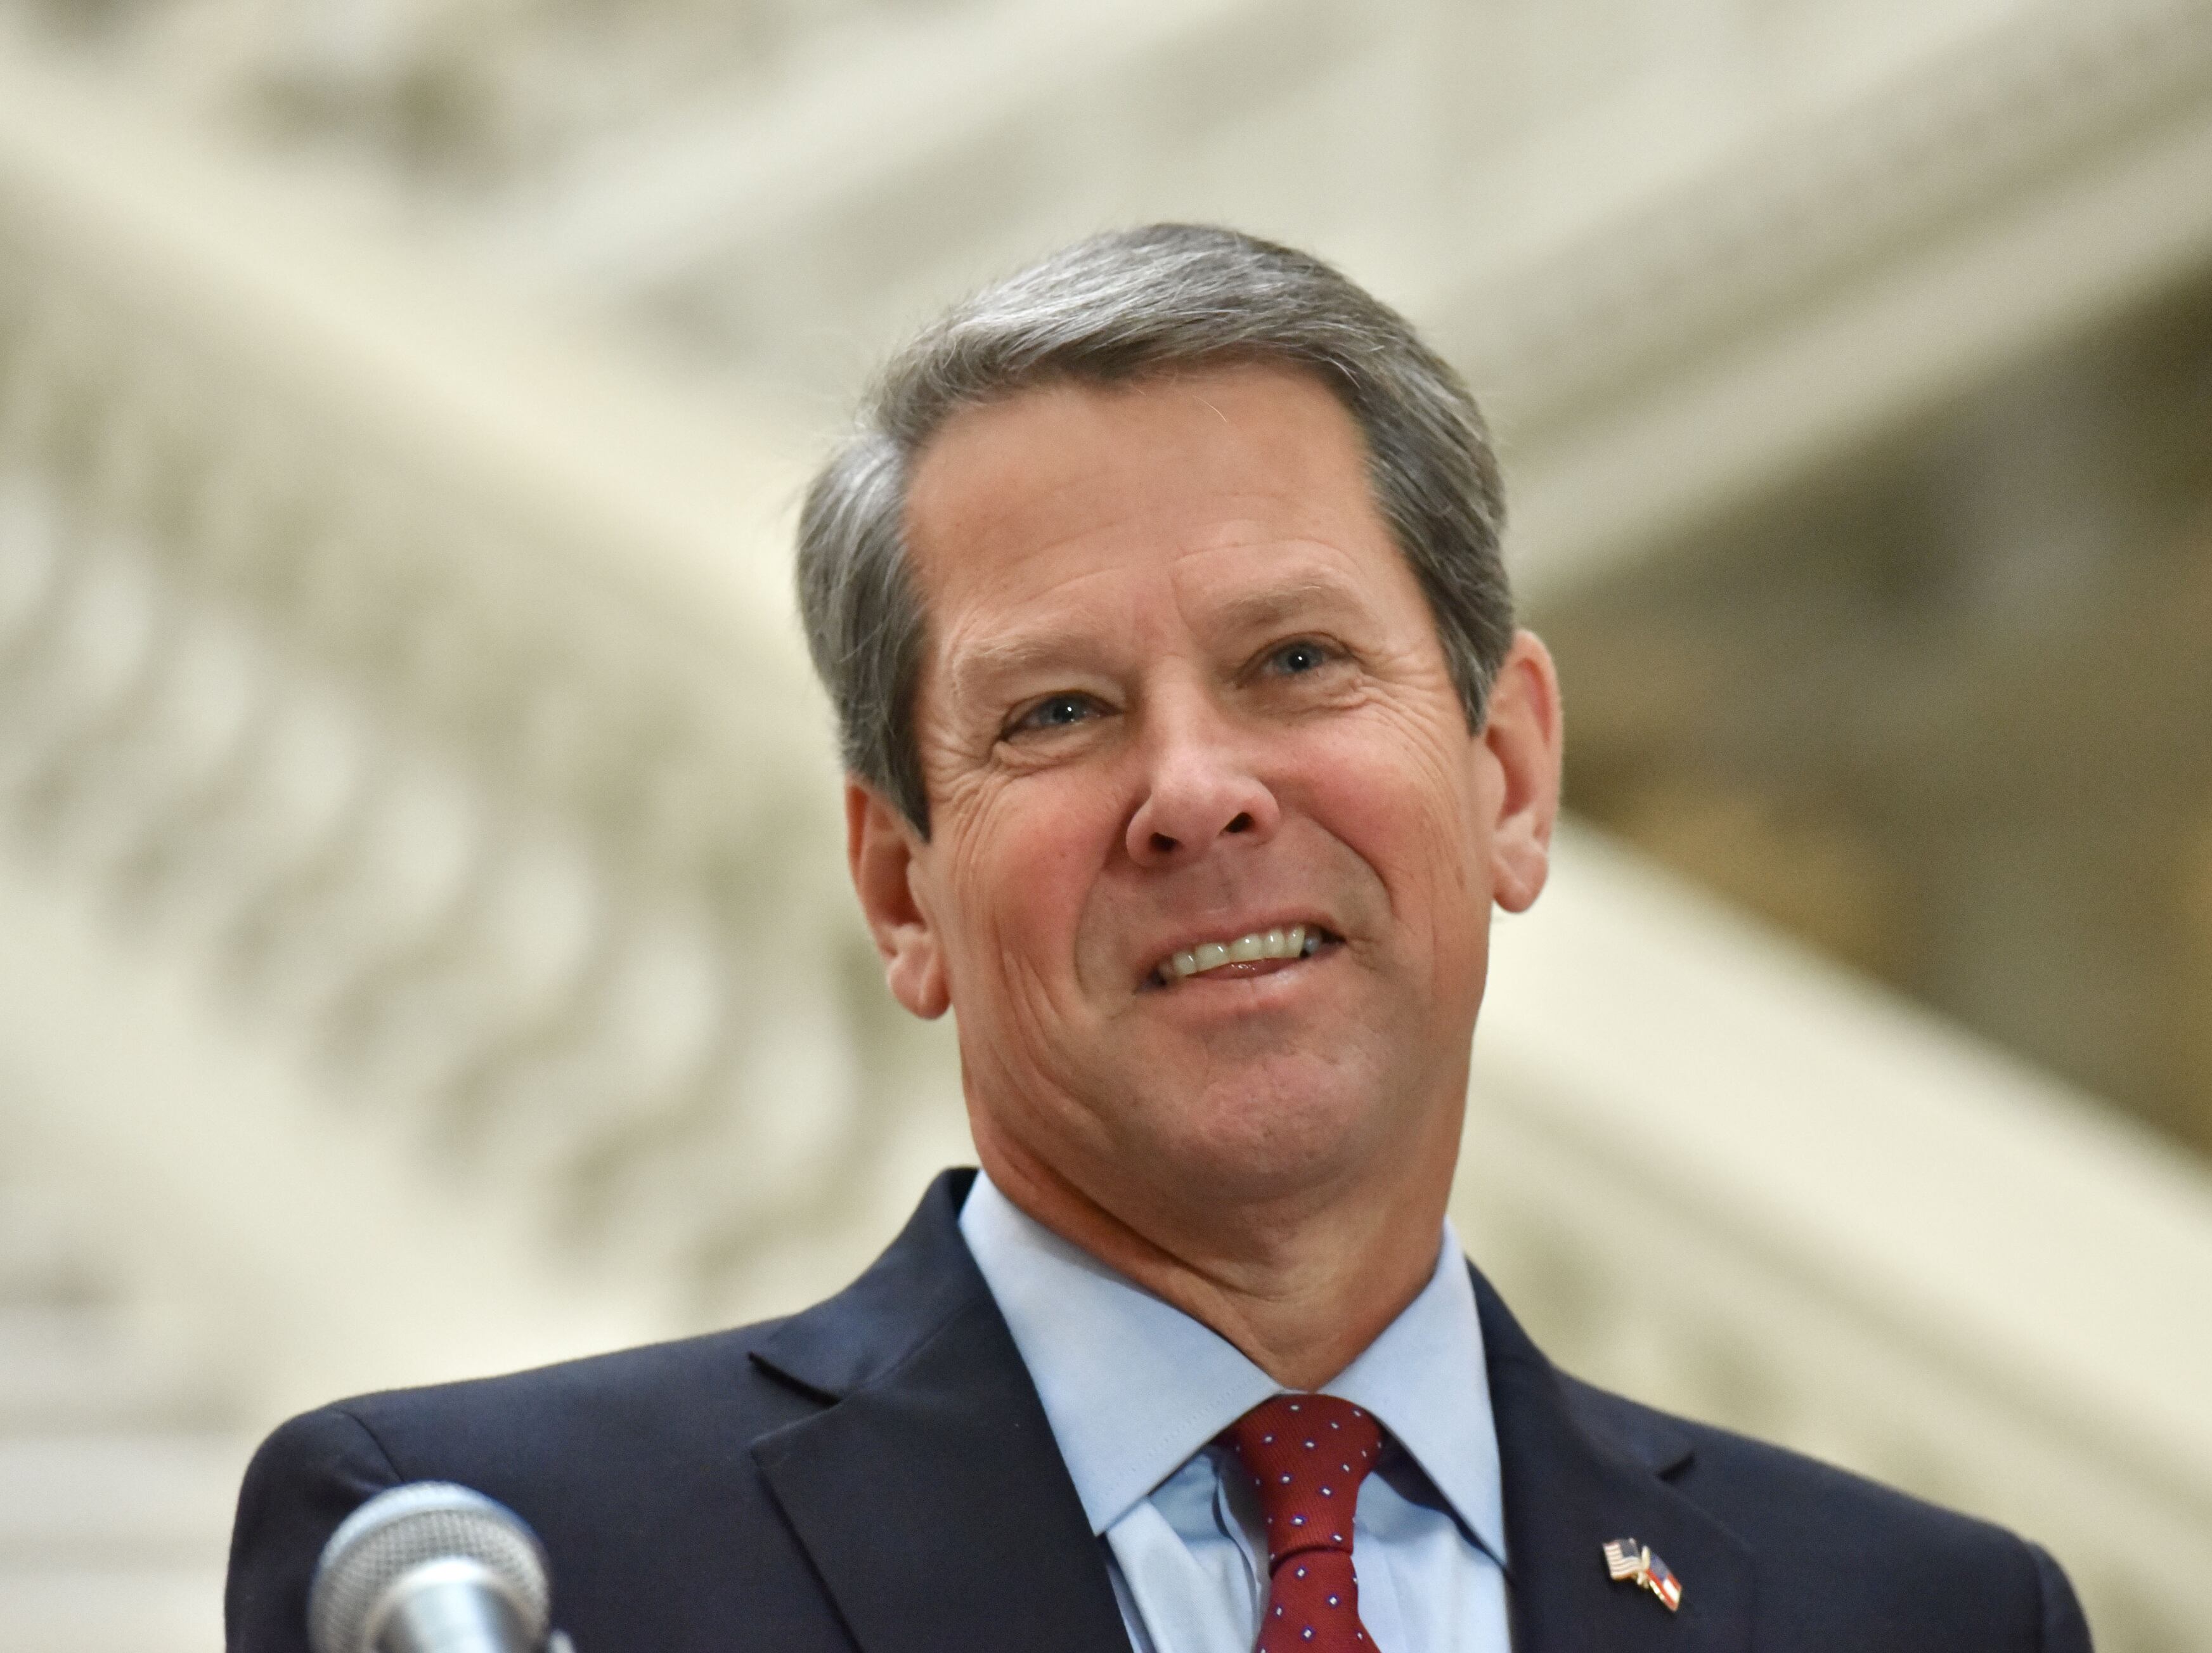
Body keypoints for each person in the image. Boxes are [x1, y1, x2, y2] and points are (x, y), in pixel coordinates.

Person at [227, 224, 2092, 1653]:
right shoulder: (495, 1572)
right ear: (903, 889)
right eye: (1054, 713)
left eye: (1295, 663)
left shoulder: (1923, 1619)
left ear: (1508, 777)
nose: (1194, 791)